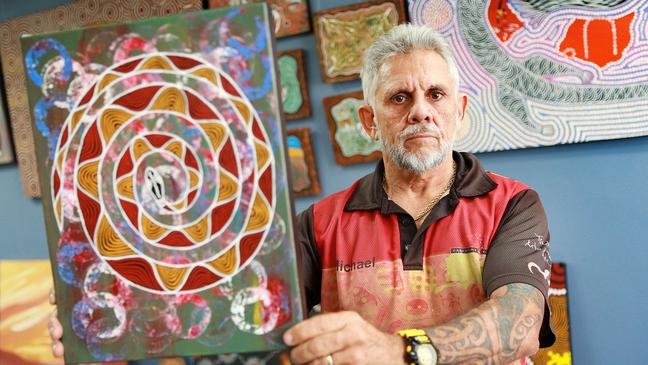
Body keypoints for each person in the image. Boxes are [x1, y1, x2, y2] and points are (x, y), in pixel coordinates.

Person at [50, 24, 554, 365]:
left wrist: (399, 351)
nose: (420, 111)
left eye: (436, 95)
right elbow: (244, 323)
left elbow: (521, 322)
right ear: (367, 121)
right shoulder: (320, 223)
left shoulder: (512, 204)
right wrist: (111, 332)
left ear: (459, 111)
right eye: (399, 97)